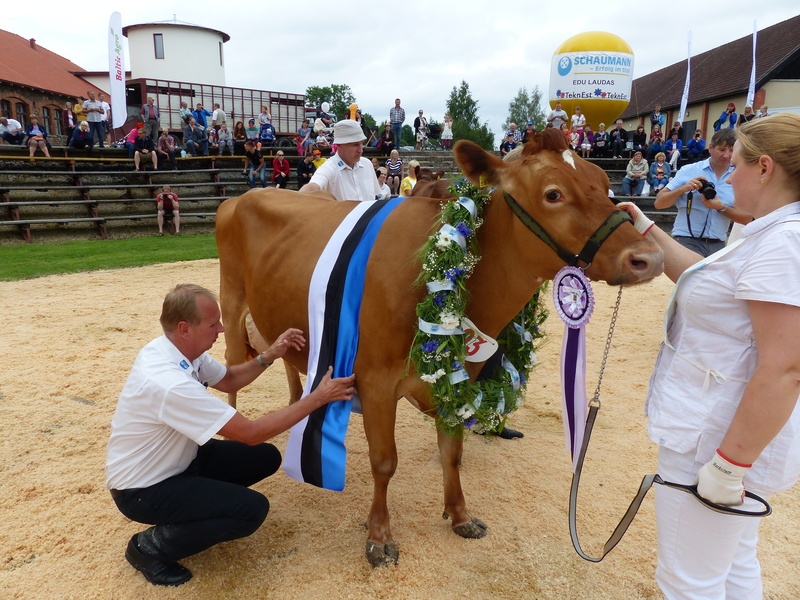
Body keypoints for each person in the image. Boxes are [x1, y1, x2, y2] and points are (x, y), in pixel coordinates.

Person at [617, 113, 800, 599]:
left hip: (716, 438)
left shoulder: (783, 242)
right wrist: (647, 228)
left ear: (765, 168)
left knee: (687, 581)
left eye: (736, 163)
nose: (728, 174)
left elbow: (786, 368)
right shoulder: (769, 230)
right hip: (717, 427)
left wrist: (729, 465)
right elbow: (707, 279)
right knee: (734, 563)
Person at [106, 284, 355, 586]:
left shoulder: (179, 350)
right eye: (213, 324)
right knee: (250, 510)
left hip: (181, 462)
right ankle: (148, 548)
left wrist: (270, 354)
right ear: (185, 328)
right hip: (143, 489)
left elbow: (229, 379)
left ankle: (195, 509)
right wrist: (317, 398)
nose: (222, 329)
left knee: (264, 457)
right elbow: (250, 432)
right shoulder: (169, 383)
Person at [654, 128, 752, 256]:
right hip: (686, 240)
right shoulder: (689, 170)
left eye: (731, 150)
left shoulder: (739, 176)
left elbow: (748, 218)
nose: (726, 155)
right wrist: (684, 189)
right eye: (722, 150)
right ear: (711, 148)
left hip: (718, 244)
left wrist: (721, 208)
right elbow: (659, 203)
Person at [301, 120, 381, 202]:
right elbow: (312, 187)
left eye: (361, 143)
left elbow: (376, 197)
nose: (360, 150)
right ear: (339, 145)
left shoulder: (367, 164)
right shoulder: (329, 168)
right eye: (354, 145)